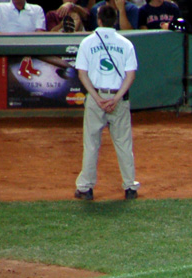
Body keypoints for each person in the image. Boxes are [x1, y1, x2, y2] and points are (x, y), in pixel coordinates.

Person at [73, 3, 137, 202]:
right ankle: (130, 187)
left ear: (98, 20)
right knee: (124, 144)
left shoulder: (87, 42)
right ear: (115, 20)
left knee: (91, 144)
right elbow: (130, 76)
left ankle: (85, 188)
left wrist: (97, 97)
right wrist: (116, 98)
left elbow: (82, 74)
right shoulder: (126, 43)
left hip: (96, 98)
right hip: (118, 98)